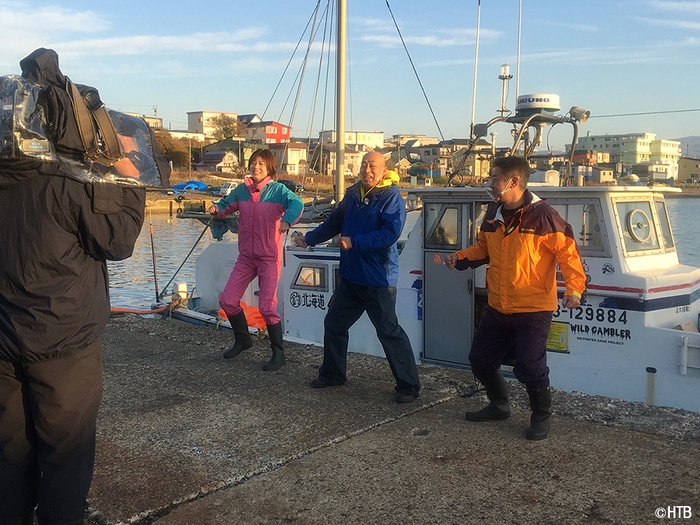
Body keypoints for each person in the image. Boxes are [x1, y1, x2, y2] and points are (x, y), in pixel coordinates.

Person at [0, 160, 146, 524]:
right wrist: (128, 179)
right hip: (63, 340)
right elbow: (118, 238)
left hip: (3, 335)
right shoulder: (69, 179)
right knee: (65, 458)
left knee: (10, 454)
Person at [444, 156, 586, 440]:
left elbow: (567, 254)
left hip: (533, 309)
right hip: (499, 306)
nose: (489, 182)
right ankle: (499, 405)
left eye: (494, 178)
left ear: (513, 182)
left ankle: (541, 416)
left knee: (529, 367)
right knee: (480, 359)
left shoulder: (543, 215)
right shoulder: (493, 213)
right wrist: (459, 257)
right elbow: (484, 248)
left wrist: (574, 289)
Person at [294, 151, 421, 403]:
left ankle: (409, 386)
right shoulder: (352, 194)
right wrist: (308, 239)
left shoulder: (392, 198)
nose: (367, 170)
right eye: (364, 165)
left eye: (372, 166)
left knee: (388, 331)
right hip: (351, 277)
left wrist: (355, 242)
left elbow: (389, 235)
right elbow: (333, 223)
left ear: (384, 171)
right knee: (334, 324)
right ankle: (332, 374)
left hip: (378, 280)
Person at [208, 149, 304, 371]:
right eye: (253, 162)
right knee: (227, 300)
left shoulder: (279, 191)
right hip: (246, 257)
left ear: (269, 167)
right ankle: (243, 340)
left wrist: (287, 221)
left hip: (269, 257)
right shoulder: (242, 190)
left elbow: (297, 204)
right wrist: (217, 209)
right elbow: (225, 205)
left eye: (261, 163)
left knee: (267, 307)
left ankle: (278, 354)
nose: (256, 166)